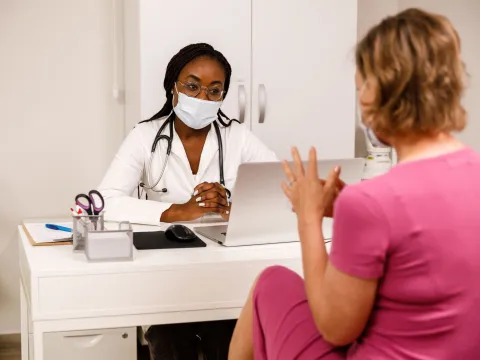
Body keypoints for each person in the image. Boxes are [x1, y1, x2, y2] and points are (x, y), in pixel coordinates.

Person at [228, 8, 480, 360]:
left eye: (361, 88)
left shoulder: (371, 203)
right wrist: (349, 209)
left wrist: (309, 216)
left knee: (269, 282)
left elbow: (335, 326)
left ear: (381, 96)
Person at [98, 43, 276, 359]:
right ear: (173, 88)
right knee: (170, 344)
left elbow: (280, 191)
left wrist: (233, 208)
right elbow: (106, 201)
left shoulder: (237, 137)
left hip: (225, 277)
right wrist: (180, 210)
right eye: (192, 86)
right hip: (165, 279)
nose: (201, 98)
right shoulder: (144, 136)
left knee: (229, 342)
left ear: (222, 97)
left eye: (213, 90)